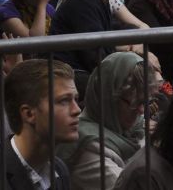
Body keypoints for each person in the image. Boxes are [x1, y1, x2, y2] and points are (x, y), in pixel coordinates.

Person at [59, 52, 149, 189]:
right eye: (134, 103)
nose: (141, 111)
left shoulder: (135, 126)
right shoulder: (88, 145)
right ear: (109, 99)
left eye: (144, 102)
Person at [3, 59, 81, 190]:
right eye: (64, 101)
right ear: (29, 114)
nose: (77, 110)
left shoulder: (59, 169)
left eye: (76, 99)